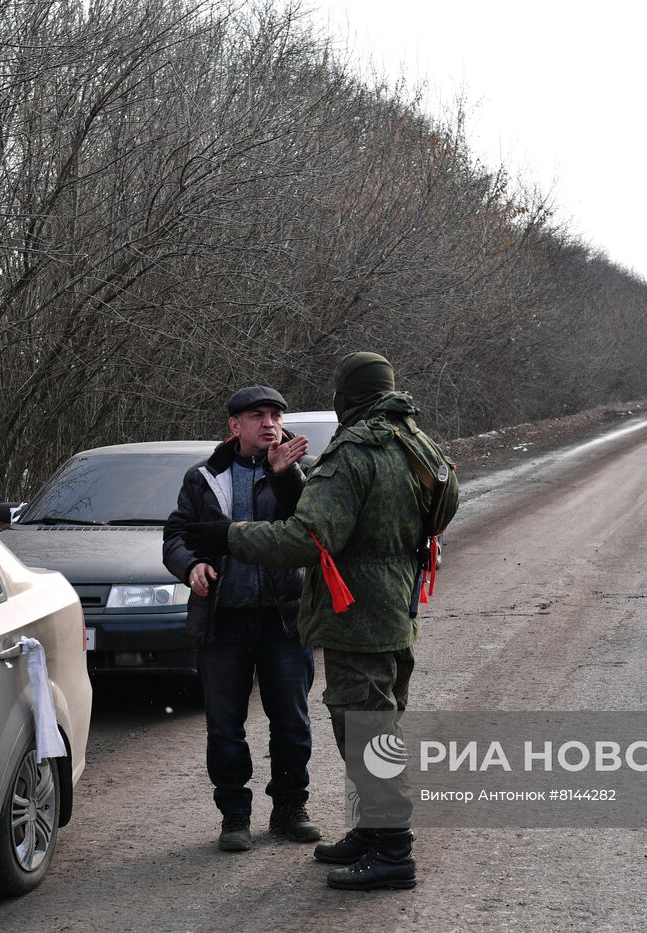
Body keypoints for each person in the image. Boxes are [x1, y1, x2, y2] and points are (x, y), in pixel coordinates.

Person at [183, 352, 459, 892]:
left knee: (366, 732)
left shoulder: (355, 450)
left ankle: (394, 852)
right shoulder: (417, 443)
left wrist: (229, 536)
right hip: (396, 610)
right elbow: (440, 511)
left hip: (357, 614)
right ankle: (372, 832)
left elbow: (309, 538)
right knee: (379, 722)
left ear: (347, 396)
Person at [162, 385, 319, 852]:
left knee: (291, 722)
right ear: (235, 426)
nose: (269, 423)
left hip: (285, 620)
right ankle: (234, 815)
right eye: (257, 415)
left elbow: (310, 525)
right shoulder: (203, 477)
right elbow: (176, 535)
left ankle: (290, 808)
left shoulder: (297, 473)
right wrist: (190, 566)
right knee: (224, 725)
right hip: (223, 620)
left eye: (276, 414)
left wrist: (285, 475)